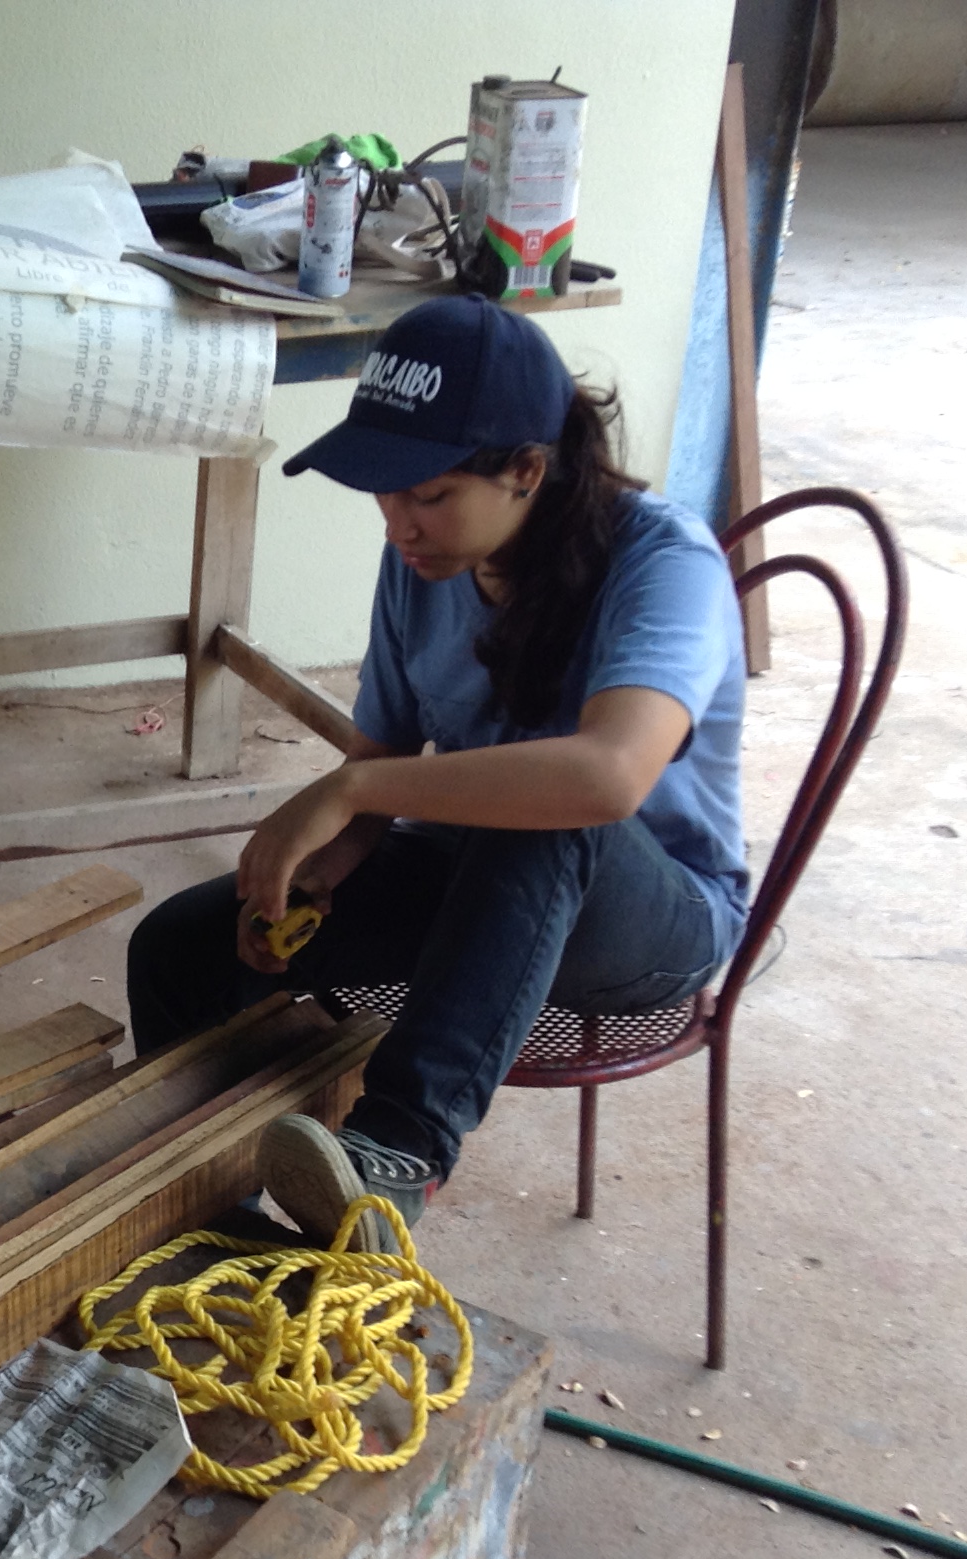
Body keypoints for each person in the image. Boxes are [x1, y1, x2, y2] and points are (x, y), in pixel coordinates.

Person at [127, 294, 746, 1249]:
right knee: (180, 947)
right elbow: (384, 756)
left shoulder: (667, 563)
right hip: (479, 889)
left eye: (429, 495)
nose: (399, 527)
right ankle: (220, 1235)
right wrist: (328, 865)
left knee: (544, 817)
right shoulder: (426, 565)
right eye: (386, 495)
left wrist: (350, 792)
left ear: (527, 471)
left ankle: (396, 1154)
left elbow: (607, 778)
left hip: (653, 923)